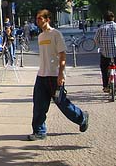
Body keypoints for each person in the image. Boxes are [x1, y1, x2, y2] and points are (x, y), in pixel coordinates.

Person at [28, 9, 89, 141]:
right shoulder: (40, 36)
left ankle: (82, 117)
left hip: (54, 75)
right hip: (42, 75)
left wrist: (61, 74)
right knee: (39, 104)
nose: (37, 21)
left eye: (40, 18)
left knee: (62, 104)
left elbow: (62, 55)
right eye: (37, 18)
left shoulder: (56, 34)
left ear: (47, 19)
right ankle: (39, 131)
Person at [93, 10, 116, 93]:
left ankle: (106, 86)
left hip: (105, 54)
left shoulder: (101, 28)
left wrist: (101, 45)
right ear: (113, 18)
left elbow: (95, 40)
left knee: (104, 69)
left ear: (104, 19)